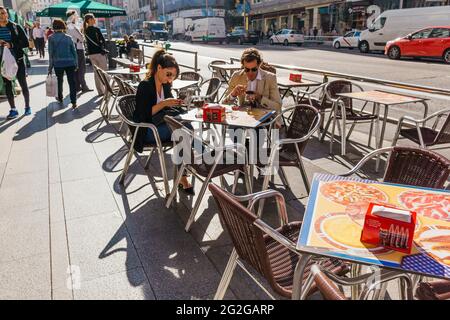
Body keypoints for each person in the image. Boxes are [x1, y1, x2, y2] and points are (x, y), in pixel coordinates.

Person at [134, 49, 194, 194]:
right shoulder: (145, 86)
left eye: (173, 76)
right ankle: (185, 173)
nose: (170, 79)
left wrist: (177, 104)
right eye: (168, 75)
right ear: (159, 68)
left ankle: (183, 174)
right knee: (183, 132)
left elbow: (167, 109)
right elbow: (142, 115)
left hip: (162, 124)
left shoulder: (166, 86)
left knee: (186, 129)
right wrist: (164, 104)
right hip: (147, 130)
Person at [222, 48, 282, 126]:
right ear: (243, 66)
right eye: (247, 69)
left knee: (258, 132)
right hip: (243, 120)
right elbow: (223, 105)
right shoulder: (237, 76)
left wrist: (260, 98)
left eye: (254, 69)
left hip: (265, 121)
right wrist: (233, 94)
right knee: (233, 130)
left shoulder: (270, 78)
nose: (250, 73)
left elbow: (277, 105)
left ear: (259, 65)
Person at [0, 6, 31, 119]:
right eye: (0, 14)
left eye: (3, 13)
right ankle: (13, 109)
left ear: (7, 14)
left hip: (17, 60)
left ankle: (27, 107)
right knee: (7, 85)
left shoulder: (15, 26)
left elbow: (26, 43)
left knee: (23, 83)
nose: (2, 16)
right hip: (3, 61)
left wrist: (11, 45)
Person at [48, 19, 78, 109]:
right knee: (72, 82)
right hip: (70, 63)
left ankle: (60, 98)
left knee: (60, 81)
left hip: (58, 63)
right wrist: (76, 63)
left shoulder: (51, 38)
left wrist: (50, 66)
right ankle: (74, 102)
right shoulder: (68, 37)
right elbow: (74, 51)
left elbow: (51, 53)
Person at [66, 10, 92, 93]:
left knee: (77, 69)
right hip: (78, 49)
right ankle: (84, 86)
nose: (77, 16)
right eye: (76, 15)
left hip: (76, 48)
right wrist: (81, 36)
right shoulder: (71, 26)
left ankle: (77, 86)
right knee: (81, 69)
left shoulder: (70, 25)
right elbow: (81, 38)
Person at [83, 13, 108, 96]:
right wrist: (102, 47)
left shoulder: (84, 31)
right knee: (104, 72)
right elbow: (103, 41)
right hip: (99, 53)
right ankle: (107, 90)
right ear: (89, 20)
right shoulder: (96, 29)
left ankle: (100, 91)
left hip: (91, 54)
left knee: (96, 73)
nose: (95, 20)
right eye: (93, 18)